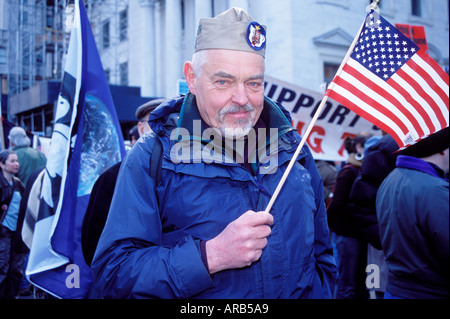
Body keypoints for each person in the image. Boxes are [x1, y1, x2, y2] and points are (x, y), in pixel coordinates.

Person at [91, 7, 336, 299]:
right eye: (224, 81)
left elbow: (322, 256)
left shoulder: (294, 150)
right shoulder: (152, 156)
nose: (242, 99)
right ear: (192, 78)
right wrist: (210, 256)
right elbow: (113, 272)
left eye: (254, 83)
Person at [81, 98, 164, 267]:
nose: (164, 130)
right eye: (156, 122)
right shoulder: (113, 178)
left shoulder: (190, 175)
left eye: (171, 123)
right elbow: (93, 247)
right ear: (141, 129)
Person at [377, 126, 449, 299]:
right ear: (441, 150)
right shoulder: (435, 190)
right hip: (431, 292)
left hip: (397, 289)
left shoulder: (391, 179)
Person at [347, 133, 399, 298]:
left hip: (385, 240)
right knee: (375, 287)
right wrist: (382, 238)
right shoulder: (380, 154)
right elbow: (359, 204)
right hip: (381, 243)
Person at [327, 132, 373, 299]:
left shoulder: (364, 171)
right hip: (347, 236)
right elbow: (337, 207)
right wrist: (356, 224)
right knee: (346, 281)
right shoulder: (349, 172)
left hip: (356, 235)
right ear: (360, 148)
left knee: (359, 280)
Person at [0, 150, 25, 298]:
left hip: (16, 234)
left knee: (15, 270)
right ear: (2, 164)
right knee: (2, 268)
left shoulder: (17, 183)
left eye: (17, 161)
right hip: (3, 233)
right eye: (12, 161)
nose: (17, 164)